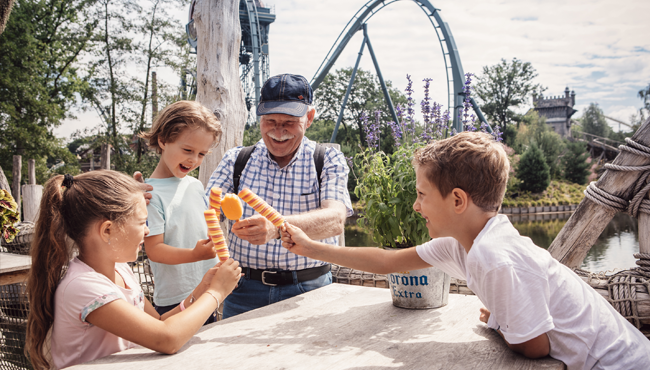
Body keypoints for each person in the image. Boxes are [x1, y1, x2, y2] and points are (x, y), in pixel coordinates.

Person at [279, 132, 650, 370]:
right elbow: (389, 261)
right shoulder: (466, 243)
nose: (415, 206)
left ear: (457, 200)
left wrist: (505, 322)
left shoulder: (493, 256)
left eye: (422, 195)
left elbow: (533, 347)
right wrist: (311, 247)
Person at [25, 171, 242, 370]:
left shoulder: (121, 270)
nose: (147, 230)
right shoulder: (83, 287)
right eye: (141, 223)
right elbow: (167, 338)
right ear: (108, 230)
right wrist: (217, 293)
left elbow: (160, 323)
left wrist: (203, 288)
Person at [205, 73, 353, 318]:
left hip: (309, 289)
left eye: (289, 122)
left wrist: (275, 228)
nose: (278, 131)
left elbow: (335, 220)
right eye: (270, 121)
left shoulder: (326, 159)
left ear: (309, 118)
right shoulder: (236, 160)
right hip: (243, 290)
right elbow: (206, 208)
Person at [138, 100, 222, 322]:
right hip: (176, 300)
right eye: (187, 150)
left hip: (207, 290)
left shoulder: (194, 185)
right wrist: (195, 255)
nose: (193, 160)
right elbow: (155, 249)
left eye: (202, 154)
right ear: (163, 140)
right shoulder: (149, 194)